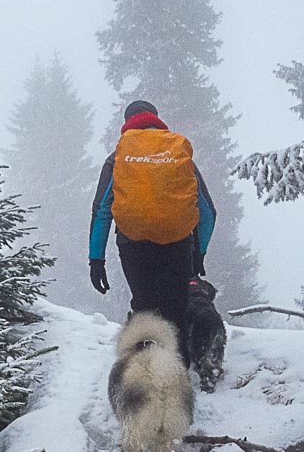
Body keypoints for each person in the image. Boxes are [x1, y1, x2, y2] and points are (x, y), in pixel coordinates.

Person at [88, 99, 217, 352]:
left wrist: (96, 260)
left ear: (127, 123)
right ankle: (178, 370)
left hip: (133, 245)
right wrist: (198, 253)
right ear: (156, 119)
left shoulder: (118, 157)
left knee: (145, 308)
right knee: (175, 311)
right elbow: (207, 211)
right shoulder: (177, 152)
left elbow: (102, 211)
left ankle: (147, 370)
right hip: (177, 243)